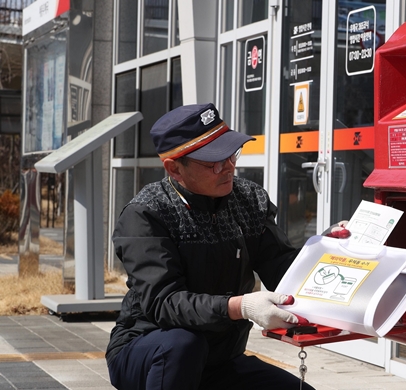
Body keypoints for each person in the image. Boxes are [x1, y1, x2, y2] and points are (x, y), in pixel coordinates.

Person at [106, 103, 340, 390]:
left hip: (220, 357)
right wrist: (241, 306)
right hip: (151, 350)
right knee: (183, 344)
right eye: (214, 162)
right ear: (175, 168)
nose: (229, 167)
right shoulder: (147, 213)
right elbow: (165, 303)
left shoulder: (248, 199)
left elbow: (281, 266)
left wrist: (326, 255)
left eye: (231, 154)